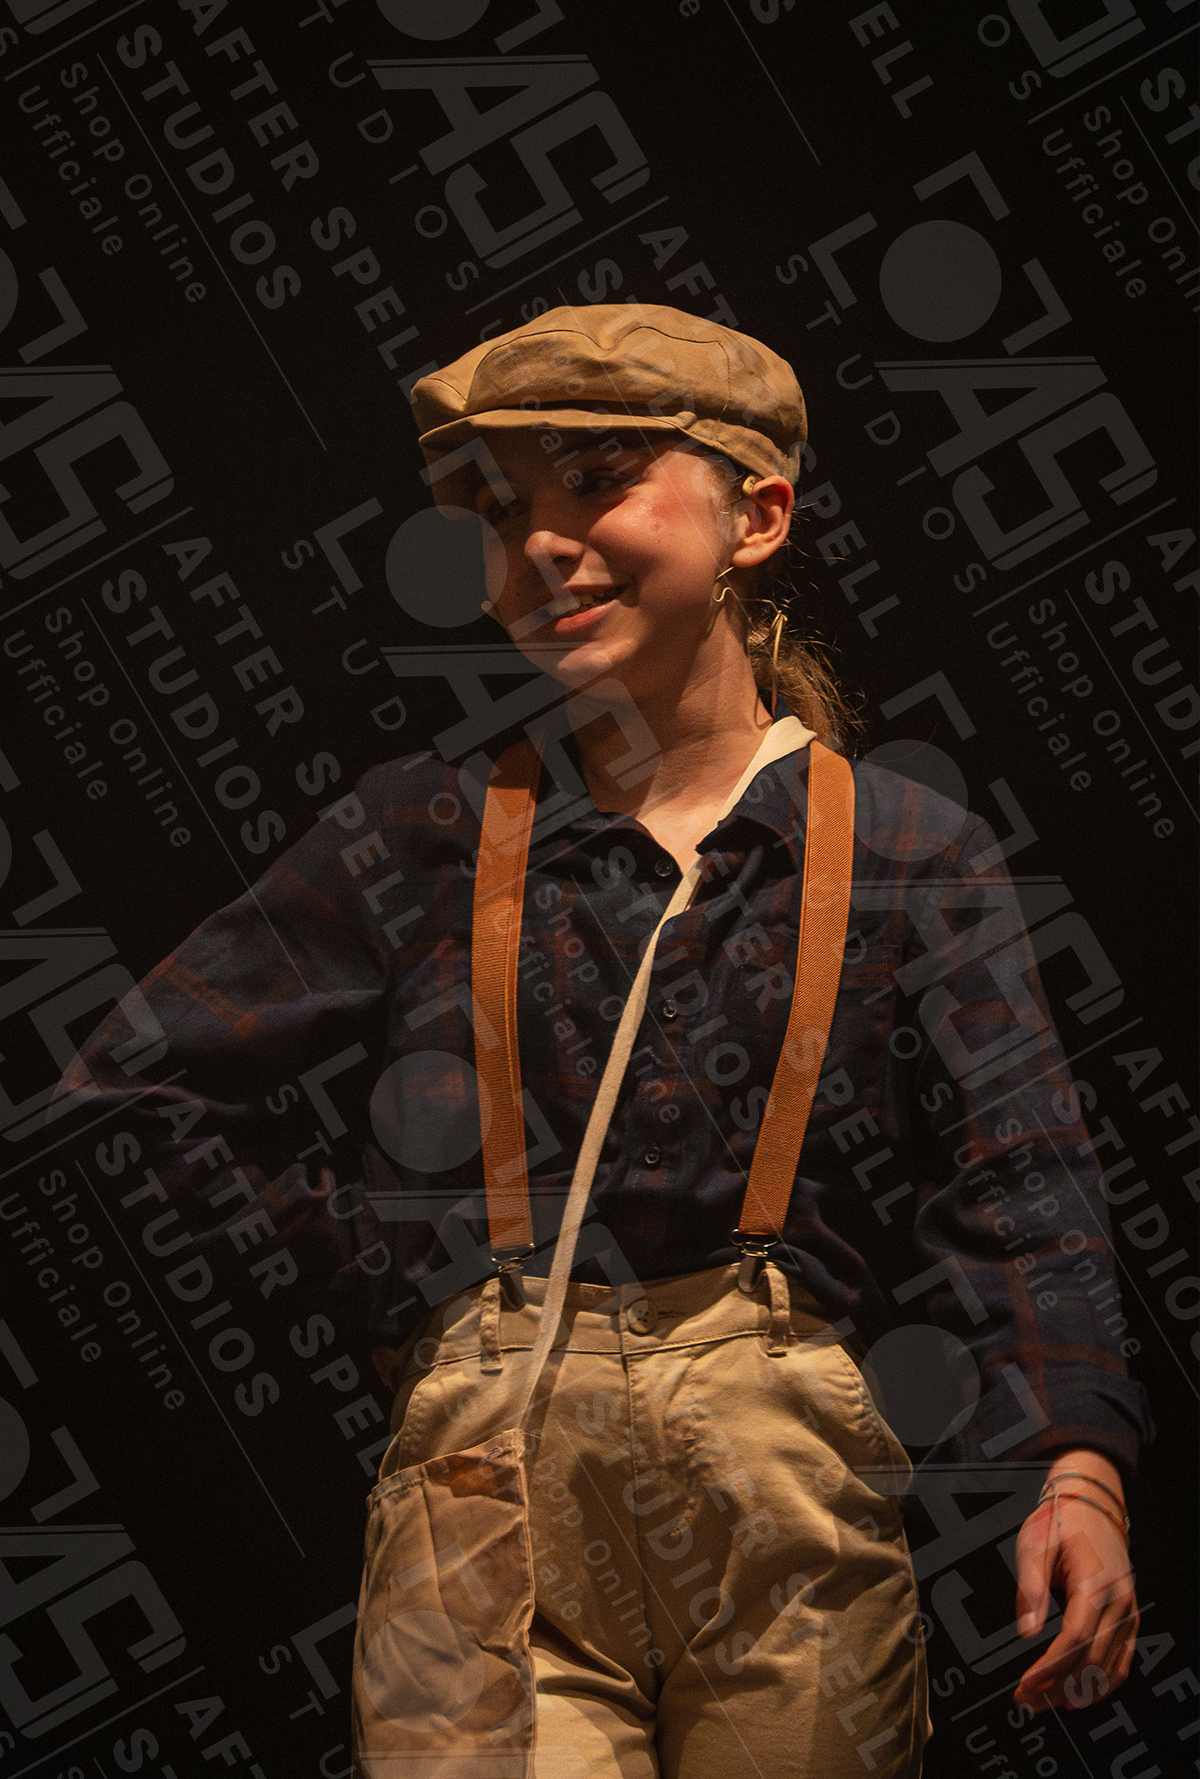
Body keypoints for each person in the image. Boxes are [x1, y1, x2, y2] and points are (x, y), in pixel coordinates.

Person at [63, 303, 1149, 1778]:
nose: (541, 546)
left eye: (595, 483)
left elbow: (1019, 1180)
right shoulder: (426, 831)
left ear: (757, 514)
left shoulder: (909, 852)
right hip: (489, 1494)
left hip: (780, 1500)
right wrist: (394, 1272)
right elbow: (138, 1082)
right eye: (498, 512)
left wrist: (1078, 1469)